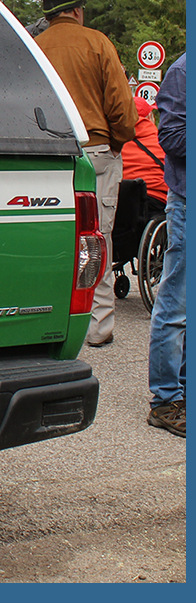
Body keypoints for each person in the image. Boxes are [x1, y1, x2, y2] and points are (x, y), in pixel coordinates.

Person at [34, 0, 138, 347]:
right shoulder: (97, 43)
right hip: (94, 152)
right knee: (97, 238)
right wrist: (117, 140)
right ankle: (98, 326)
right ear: (77, 10)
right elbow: (123, 111)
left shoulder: (35, 47)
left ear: (49, 14)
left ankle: (42, 318)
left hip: (44, 154)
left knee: (49, 237)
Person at [148, 52, 185, 438]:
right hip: (187, 202)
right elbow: (172, 138)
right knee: (175, 304)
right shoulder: (182, 71)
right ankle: (165, 401)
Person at [122, 95, 168, 208]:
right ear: (149, 117)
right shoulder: (162, 141)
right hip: (158, 200)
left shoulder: (114, 142)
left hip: (121, 201)